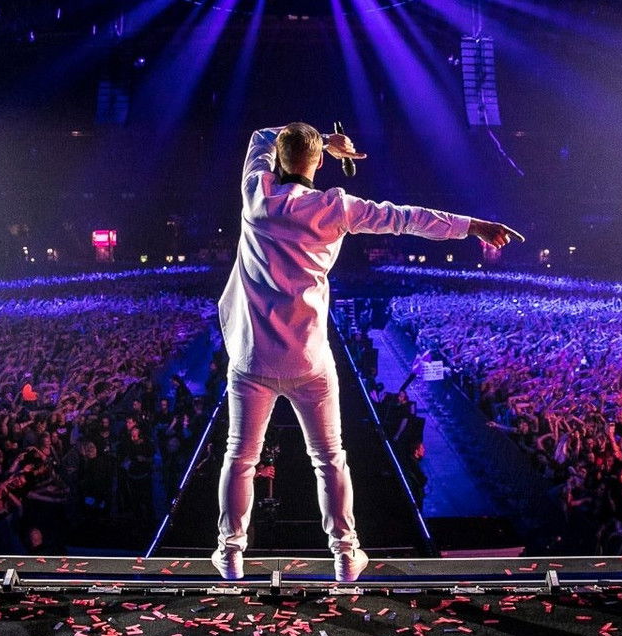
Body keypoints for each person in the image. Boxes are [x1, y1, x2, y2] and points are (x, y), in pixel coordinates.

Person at [213, 121, 522, 580]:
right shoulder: (336, 207)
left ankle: (230, 554)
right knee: (329, 458)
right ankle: (345, 555)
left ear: (279, 158)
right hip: (309, 360)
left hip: (252, 358)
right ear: (319, 163)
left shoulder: (256, 192)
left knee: (240, 458)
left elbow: (260, 135)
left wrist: (321, 139)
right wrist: (473, 225)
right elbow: (408, 218)